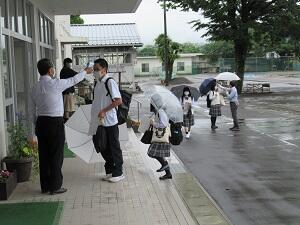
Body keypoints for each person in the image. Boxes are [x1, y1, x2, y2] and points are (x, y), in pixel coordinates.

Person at [29, 58, 93, 195]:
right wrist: (86, 71)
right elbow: (74, 80)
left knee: (44, 155)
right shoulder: (55, 83)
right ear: (50, 70)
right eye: (53, 68)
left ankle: (45, 186)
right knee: (56, 155)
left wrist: (36, 124)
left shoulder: (34, 87)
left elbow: (31, 109)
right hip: (54, 123)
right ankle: (55, 186)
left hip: (41, 123)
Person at [89, 58, 124, 183]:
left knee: (114, 147)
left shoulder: (109, 82)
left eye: (97, 69)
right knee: (102, 146)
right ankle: (110, 170)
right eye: (94, 70)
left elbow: (118, 101)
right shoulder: (97, 82)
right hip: (99, 121)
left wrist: (104, 110)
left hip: (110, 121)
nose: (95, 72)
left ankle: (119, 172)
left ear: (105, 70)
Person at [147, 104, 172, 180]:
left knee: (152, 153)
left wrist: (153, 123)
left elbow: (163, 124)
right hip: (160, 136)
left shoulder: (161, 111)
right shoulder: (158, 111)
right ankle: (168, 174)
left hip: (161, 136)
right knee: (158, 154)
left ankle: (165, 165)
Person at [60, 58, 77, 122]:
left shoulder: (63, 70)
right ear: (66, 63)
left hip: (66, 92)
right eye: (70, 63)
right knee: (67, 108)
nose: (70, 65)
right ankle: (66, 122)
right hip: (67, 92)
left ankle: (67, 122)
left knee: (68, 108)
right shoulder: (66, 69)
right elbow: (76, 74)